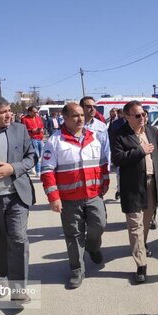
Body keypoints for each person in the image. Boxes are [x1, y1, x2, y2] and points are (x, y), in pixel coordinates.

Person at [41, 103, 109, 289]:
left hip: (94, 194)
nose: (80, 119)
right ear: (65, 118)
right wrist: (53, 197)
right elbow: (47, 171)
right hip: (69, 198)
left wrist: (105, 182)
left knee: (100, 225)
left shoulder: (94, 137)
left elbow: (103, 163)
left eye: (81, 115)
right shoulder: (55, 141)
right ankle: (77, 270)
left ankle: (93, 247)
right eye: (75, 116)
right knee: (73, 235)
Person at [0, 96, 37, 304]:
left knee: (19, 239)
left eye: (9, 110)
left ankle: (19, 288)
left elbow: (31, 157)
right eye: (3, 112)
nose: (9, 114)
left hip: (16, 196)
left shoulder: (19, 130)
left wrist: (13, 168)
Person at [111, 101, 158, 283]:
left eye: (144, 114)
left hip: (151, 183)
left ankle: (141, 246)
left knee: (147, 220)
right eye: (137, 115)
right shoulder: (119, 134)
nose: (142, 118)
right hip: (133, 187)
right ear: (126, 116)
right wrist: (140, 151)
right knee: (135, 226)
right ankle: (141, 264)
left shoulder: (152, 131)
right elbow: (118, 159)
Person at [21, 105, 45, 176]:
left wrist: (41, 130)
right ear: (29, 112)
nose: (36, 113)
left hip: (40, 138)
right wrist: (31, 131)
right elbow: (23, 129)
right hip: (32, 138)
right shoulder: (25, 119)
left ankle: (33, 166)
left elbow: (42, 126)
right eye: (34, 112)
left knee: (40, 154)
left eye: (36, 112)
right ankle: (38, 171)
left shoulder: (38, 118)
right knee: (36, 155)